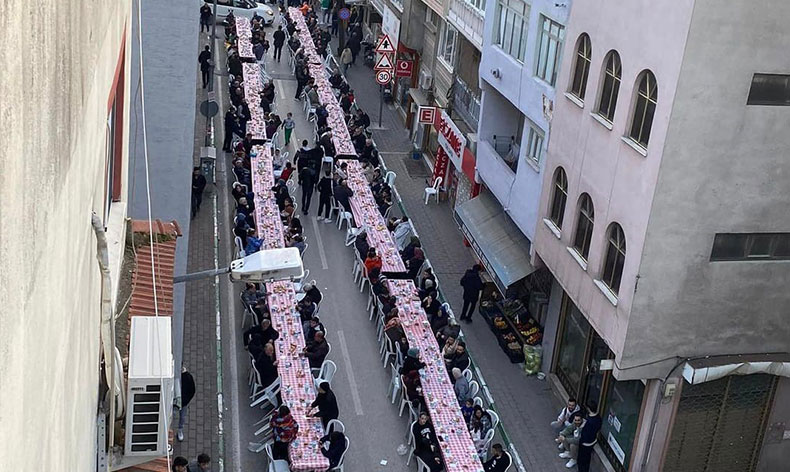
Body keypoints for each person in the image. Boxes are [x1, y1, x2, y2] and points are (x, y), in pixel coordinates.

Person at [576, 402, 602, 472]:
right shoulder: (598, 418)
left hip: (585, 444)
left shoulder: (589, 421)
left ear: (589, 409)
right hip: (592, 441)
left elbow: (585, 434)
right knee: (587, 460)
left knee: (581, 461)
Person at [177, 367, 196, 441]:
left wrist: (186, 401)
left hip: (183, 403)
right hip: (175, 401)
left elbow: (192, 390)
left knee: (182, 417)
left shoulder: (188, 377)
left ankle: (180, 430)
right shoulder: (174, 376)